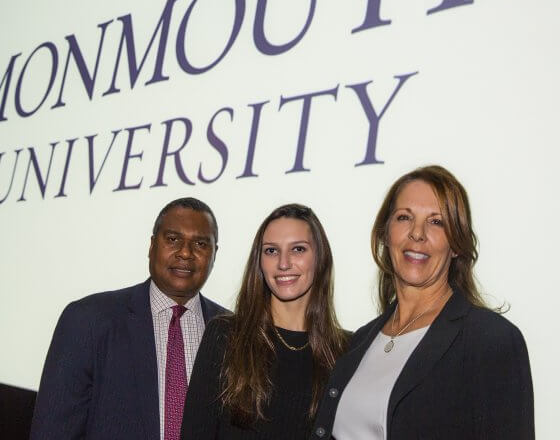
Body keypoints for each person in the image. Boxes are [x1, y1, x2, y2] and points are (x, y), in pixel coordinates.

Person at [311, 165, 534, 440]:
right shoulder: (359, 341)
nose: (417, 233)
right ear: (385, 233)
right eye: (404, 217)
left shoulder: (491, 340)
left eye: (436, 222)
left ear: (456, 244)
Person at [30, 197, 226, 440]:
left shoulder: (235, 333)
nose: (185, 253)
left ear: (214, 254)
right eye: (172, 239)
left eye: (200, 244)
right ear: (152, 246)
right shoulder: (87, 320)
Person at [181, 204, 348, 440]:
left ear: (320, 258)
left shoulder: (346, 350)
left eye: (298, 249)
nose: (283, 263)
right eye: (271, 251)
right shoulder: (226, 336)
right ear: (259, 261)